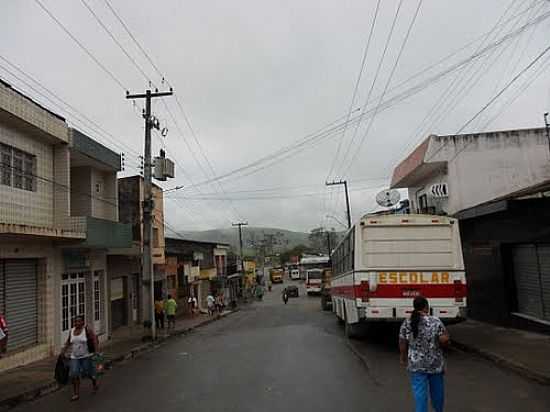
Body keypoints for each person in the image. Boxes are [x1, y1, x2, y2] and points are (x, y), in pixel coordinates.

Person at [399, 296, 450, 412]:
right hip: (435, 364)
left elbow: (402, 341)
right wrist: (445, 342)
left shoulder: (407, 322)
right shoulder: (435, 321)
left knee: (420, 395)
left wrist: (402, 357)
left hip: (416, 365)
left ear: (414, 307)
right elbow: (444, 339)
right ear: (427, 306)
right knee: (437, 393)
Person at [62, 315, 99, 401]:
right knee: (74, 374)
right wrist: (63, 351)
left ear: (83, 322)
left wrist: (96, 351)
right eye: (75, 321)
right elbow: (68, 342)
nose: (77, 323)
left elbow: (94, 339)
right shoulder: (71, 331)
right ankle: (76, 393)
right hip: (74, 357)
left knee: (87, 373)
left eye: (79, 321)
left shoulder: (87, 330)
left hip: (86, 356)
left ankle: (94, 382)